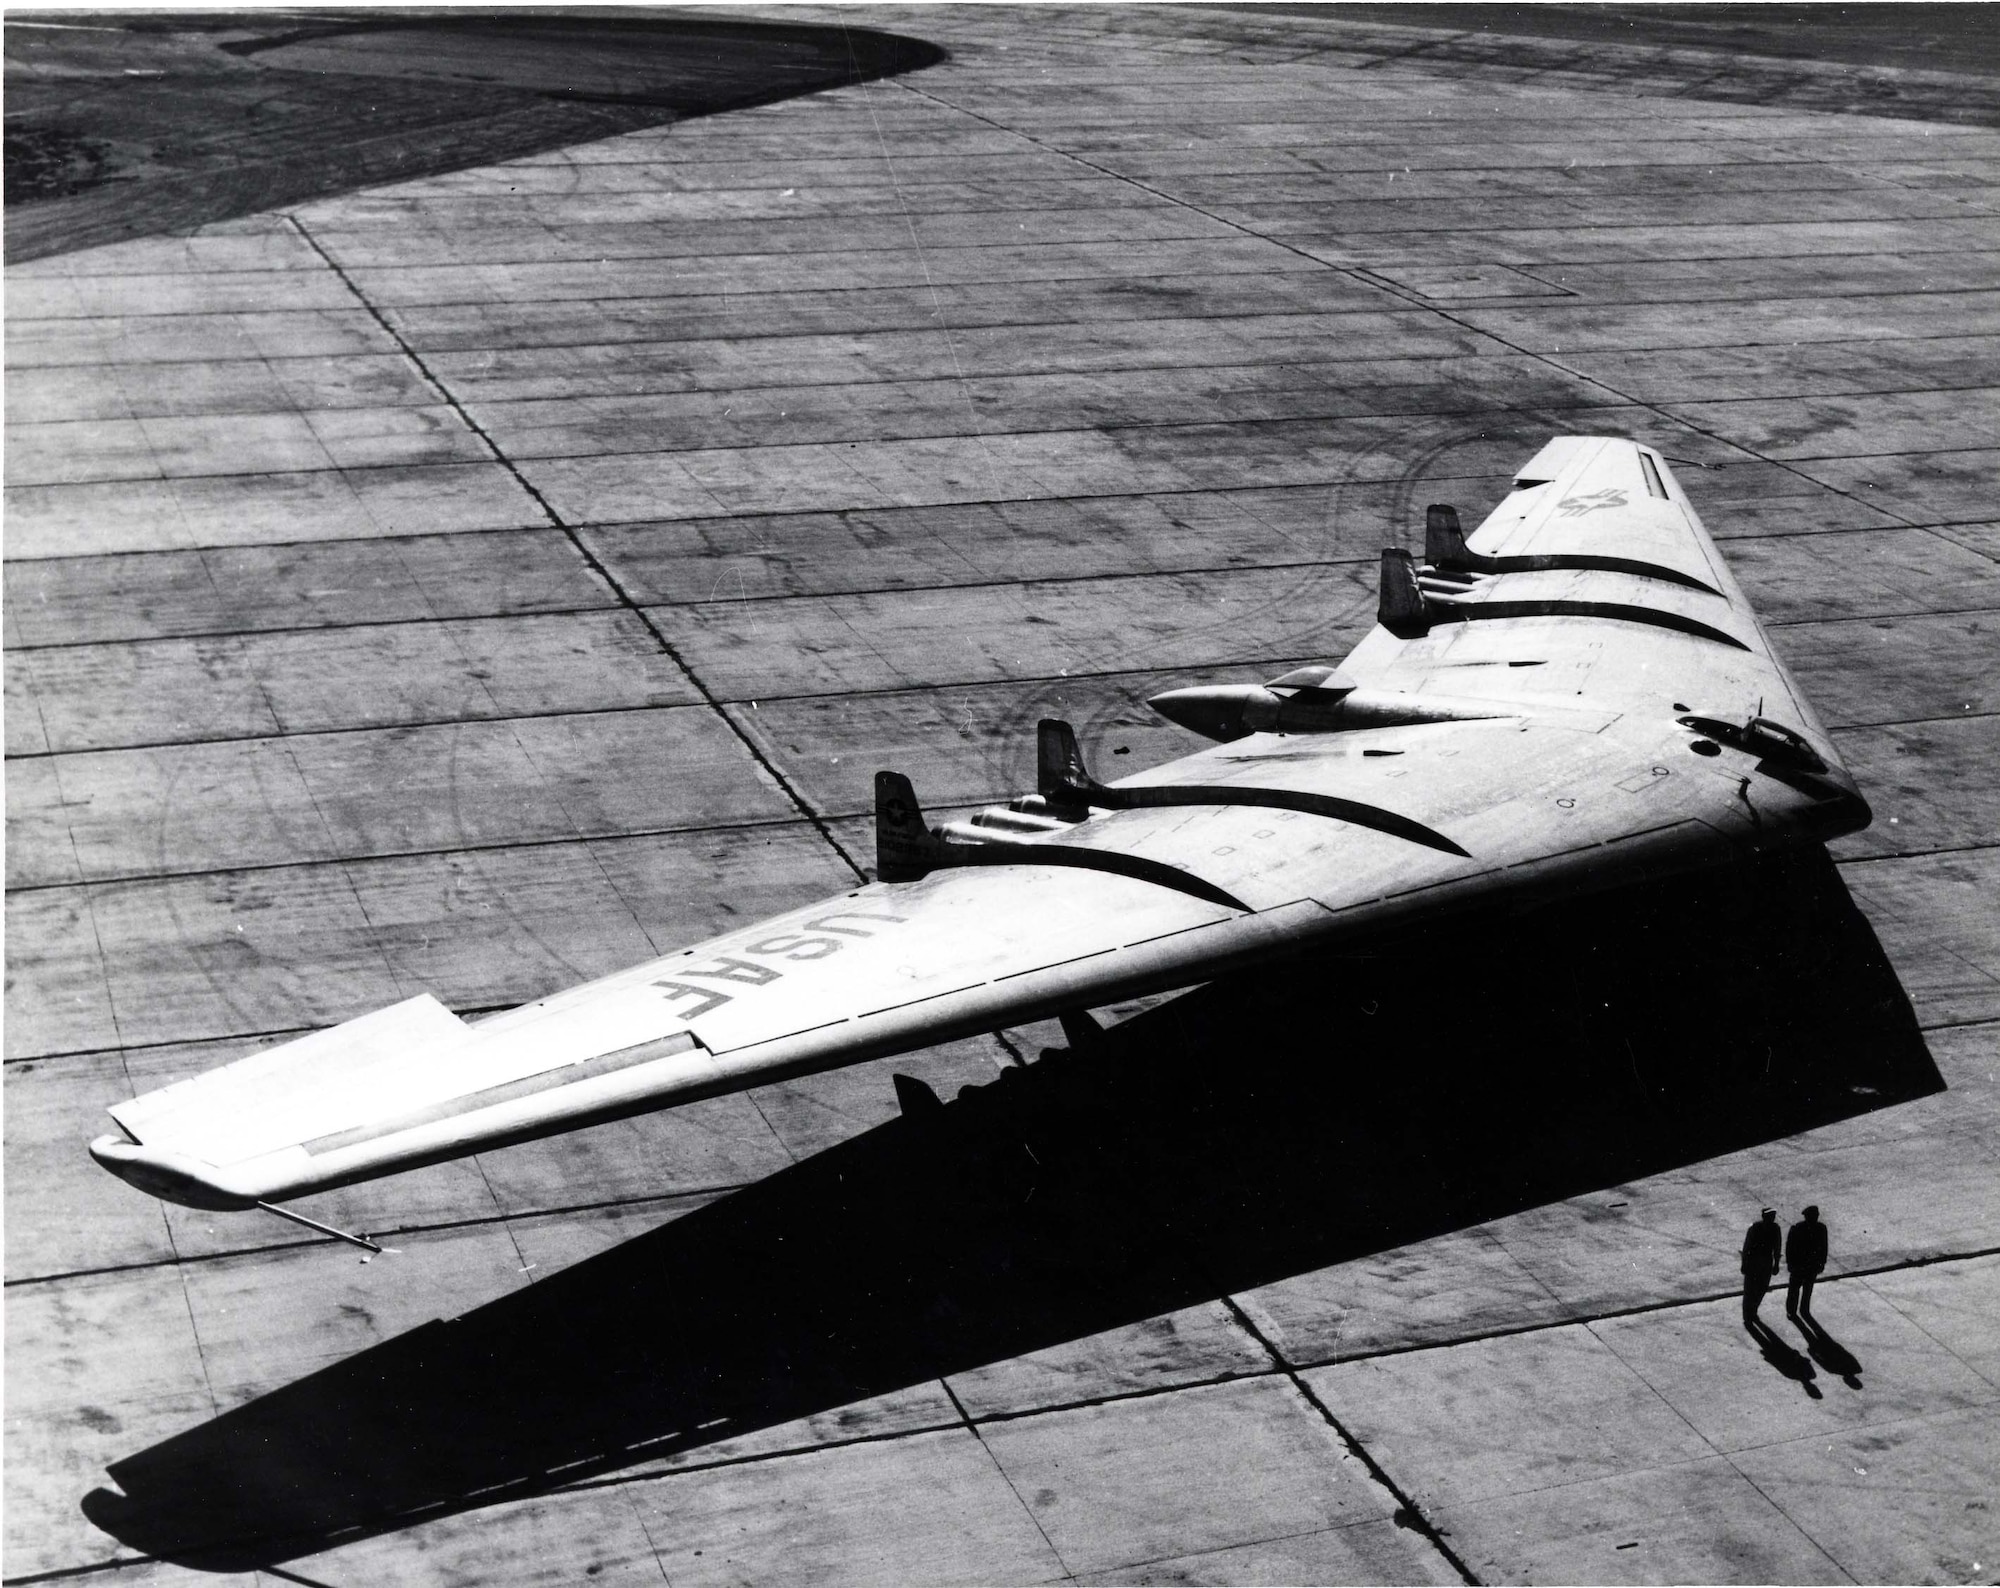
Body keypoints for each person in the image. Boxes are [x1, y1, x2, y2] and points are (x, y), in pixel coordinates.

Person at [1786, 1204, 1828, 1319]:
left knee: (1800, 1289)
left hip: (1805, 1265)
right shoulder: (1819, 1228)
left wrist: (1822, 1262)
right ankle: (1798, 1310)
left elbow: (1824, 1247)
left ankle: (1795, 1310)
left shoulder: (1799, 1227)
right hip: (1804, 1265)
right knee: (1801, 1288)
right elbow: (1790, 1247)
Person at [1741, 1208, 1781, 1325]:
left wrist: (1776, 1264)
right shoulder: (1754, 1229)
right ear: (1764, 1217)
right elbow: (1746, 1247)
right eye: (1770, 1217)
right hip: (1753, 1263)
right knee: (1749, 1290)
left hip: (1766, 1263)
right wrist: (1744, 1263)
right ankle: (1748, 1315)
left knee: (1762, 1288)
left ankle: (1753, 1311)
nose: (1772, 1219)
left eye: (1773, 1217)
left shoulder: (1775, 1229)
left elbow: (1777, 1248)